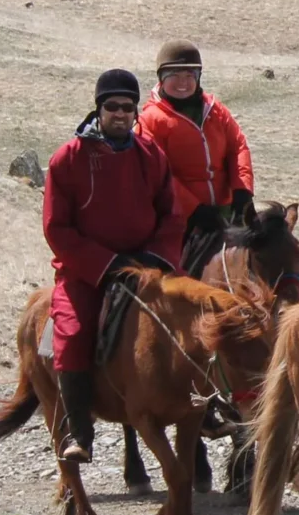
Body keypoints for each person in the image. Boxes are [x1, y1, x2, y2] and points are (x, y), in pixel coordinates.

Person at [42, 68, 177, 463]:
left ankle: (200, 410)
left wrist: (155, 258)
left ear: (137, 112)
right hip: (87, 269)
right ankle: (79, 430)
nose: (120, 114)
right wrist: (104, 263)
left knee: (186, 319)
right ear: (98, 109)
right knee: (73, 329)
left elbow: (171, 216)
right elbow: (57, 228)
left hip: (145, 264)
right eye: (112, 107)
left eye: (128, 108)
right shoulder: (68, 159)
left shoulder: (152, 156)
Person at [138, 39, 256, 263]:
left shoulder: (216, 110)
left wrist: (242, 190)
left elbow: (238, 146)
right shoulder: (150, 121)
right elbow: (159, 173)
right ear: (161, 79)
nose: (182, 82)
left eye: (189, 75)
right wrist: (193, 210)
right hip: (180, 220)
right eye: (174, 75)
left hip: (227, 210)